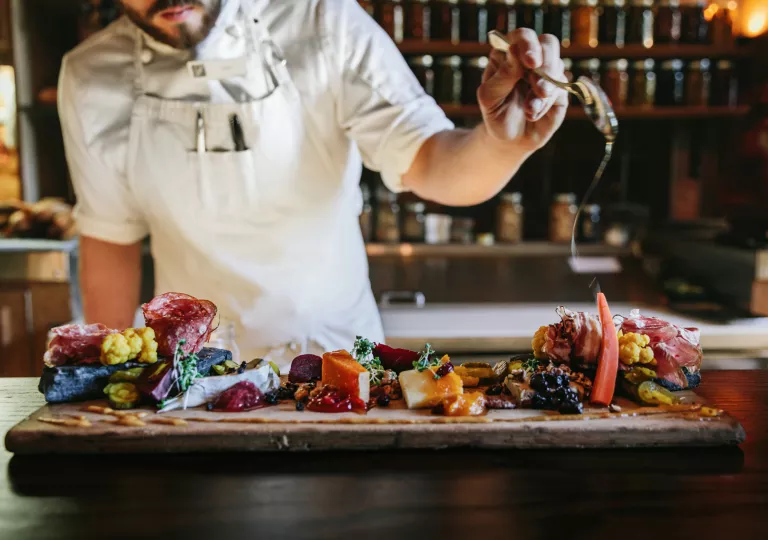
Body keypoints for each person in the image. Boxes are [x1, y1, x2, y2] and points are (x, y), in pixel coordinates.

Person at [59, 0, 568, 368]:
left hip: (338, 363)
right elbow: (110, 237)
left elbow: (433, 163)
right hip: (192, 380)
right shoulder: (91, 76)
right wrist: (107, 377)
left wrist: (504, 144)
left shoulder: (325, 20)